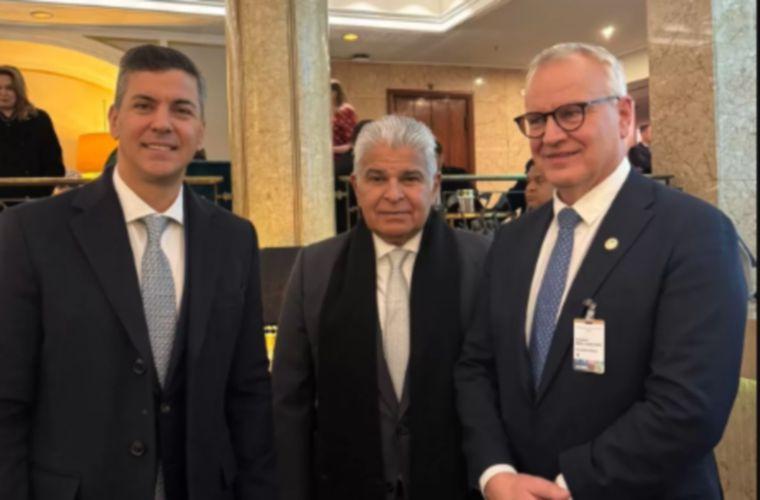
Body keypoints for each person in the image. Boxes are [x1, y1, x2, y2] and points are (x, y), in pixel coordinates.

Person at [455, 42, 746, 500]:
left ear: (624, 116)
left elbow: (689, 405)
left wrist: (568, 486)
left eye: (572, 113)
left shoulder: (695, 233)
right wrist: (495, 473)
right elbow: (477, 367)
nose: (551, 136)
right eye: (537, 119)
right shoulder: (512, 241)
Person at [0, 44, 276, 500]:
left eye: (181, 110)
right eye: (144, 106)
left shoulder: (234, 238)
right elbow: (8, 399)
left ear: (200, 130)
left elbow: (248, 391)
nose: (162, 123)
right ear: (114, 120)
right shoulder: (30, 232)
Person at [273, 115, 489, 500]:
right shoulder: (315, 267)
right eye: (376, 178)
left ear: (435, 185)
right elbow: (290, 400)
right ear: (356, 186)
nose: (393, 194)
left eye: (410, 178)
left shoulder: (482, 262)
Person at [0, 65, 65, 204]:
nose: (3, 93)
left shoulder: (39, 119)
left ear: (19, 90)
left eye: (9, 88)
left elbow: (54, 165)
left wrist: (39, 196)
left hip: (32, 202)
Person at [331, 79, 357, 156]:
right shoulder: (329, 112)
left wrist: (330, 149)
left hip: (341, 159)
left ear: (334, 93)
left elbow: (351, 143)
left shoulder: (346, 111)